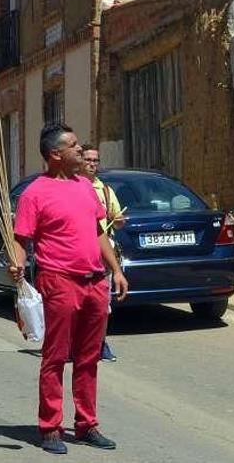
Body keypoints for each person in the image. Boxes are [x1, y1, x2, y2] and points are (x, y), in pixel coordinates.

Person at [9, 123, 128, 455]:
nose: (81, 150)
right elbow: (22, 238)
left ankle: (87, 425)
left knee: (89, 357)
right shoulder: (35, 192)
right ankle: (50, 427)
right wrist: (17, 267)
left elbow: (98, 232)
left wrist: (115, 270)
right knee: (56, 357)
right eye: (74, 146)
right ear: (55, 155)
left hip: (94, 281)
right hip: (59, 280)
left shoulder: (86, 188)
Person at [80, 144, 125, 362]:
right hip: (79, 255)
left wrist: (118, 221)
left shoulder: (106, 191)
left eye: (95, 161)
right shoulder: (73, 186)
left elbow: (118, 220)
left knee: (102, 304)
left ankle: (100, 343)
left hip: (102, 256)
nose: (92, 164)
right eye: (88, 160)